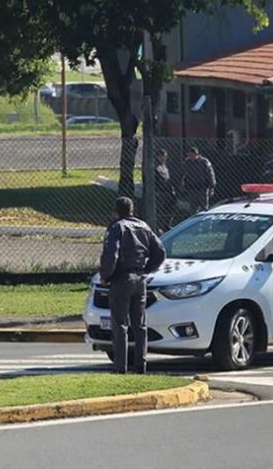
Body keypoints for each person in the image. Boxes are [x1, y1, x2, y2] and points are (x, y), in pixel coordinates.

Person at [100, 197, 166, 374]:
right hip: (140, 279)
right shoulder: (144, 226)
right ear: (132, 210)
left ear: (116, 211)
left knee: (120, 324)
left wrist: (105, 275)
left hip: (122, 278)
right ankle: (140, 365)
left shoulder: (117, 227)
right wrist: (147, 270)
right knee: (140, 325)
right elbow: (160, 252)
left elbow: (111, 254)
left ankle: (120, 367)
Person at [181, 147, 216, 212]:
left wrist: (212, 188)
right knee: (192, 208)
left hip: (203, 188)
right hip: (192, 188)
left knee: (204, 207)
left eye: (192, 155)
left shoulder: (204, 162)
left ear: (196, 154)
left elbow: (211, 175)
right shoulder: (187, 162)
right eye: (189, 155)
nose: (190, 157)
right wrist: (182, 184)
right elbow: (183, 174)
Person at [154, 149, 176, 232]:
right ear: (158, 156)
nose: (164, 159)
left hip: (168, 191)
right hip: (160, 192)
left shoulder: (164, 166)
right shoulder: (155, 166)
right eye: (162, 157)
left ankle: (167, 225)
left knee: (170, 210)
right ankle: (157, 227)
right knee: (160, 211)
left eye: (165, 157)